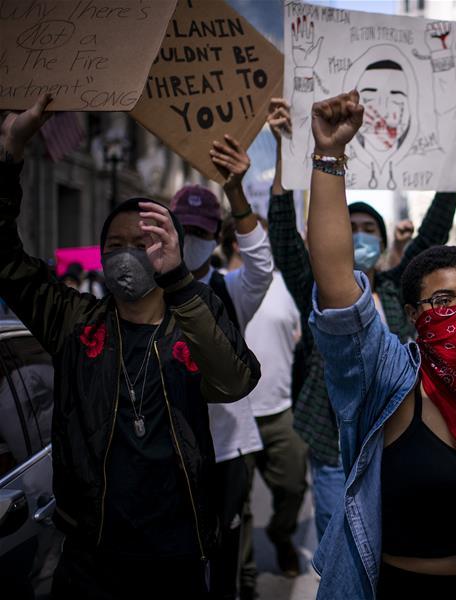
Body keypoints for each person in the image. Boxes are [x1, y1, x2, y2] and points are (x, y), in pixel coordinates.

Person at [0, 94, 260, 599]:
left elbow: (233, 382)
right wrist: (9, 155)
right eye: (114, 245)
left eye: (142, 244)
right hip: (92, 556)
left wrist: (181, 279)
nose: (126, 255)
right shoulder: (75, 322)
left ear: (169, 250)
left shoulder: (195, 311)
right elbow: (4, 255)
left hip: (177, 554)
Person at [300, 89, 456, 600]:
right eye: (442, 302)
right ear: (411, 315)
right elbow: (338, 287)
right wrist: (329, 157)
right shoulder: (389, 381)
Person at [265, 97, 456, 542]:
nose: (358, 236)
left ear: (383, 240)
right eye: (348, 225)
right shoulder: (313, 286)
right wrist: (283, 152)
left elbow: (434, 231)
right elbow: (282, 233)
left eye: (369, 229)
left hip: (398, 440)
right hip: (334, 446)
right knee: (345, 547)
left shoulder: (398, 288)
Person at [171, 135, 274, 599]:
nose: (191, 241)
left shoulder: (232, 291)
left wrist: (236, 193)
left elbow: (261, 264)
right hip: (167, 448)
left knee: (223, 554)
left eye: (200, 232)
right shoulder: (146, 294)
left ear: (215, 238)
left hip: (227, 450)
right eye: (183, 230)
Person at [219, 219, 310, 594]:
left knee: (292, 487)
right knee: (237, 507)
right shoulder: (219, 285)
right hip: (233, 418)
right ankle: (246, 576)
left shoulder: (286, 285)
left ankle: (281, 534)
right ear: (237, 244)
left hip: (281, 412)